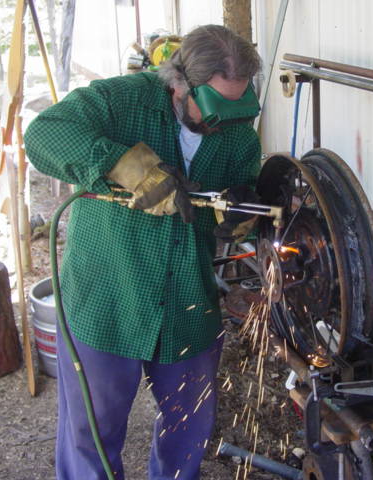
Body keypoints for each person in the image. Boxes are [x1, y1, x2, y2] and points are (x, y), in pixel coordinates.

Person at [24, 25, 262, 480]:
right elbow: (45, 134)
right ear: (177, 82)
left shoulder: (234, 131)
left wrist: (238, 215)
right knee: (92, 431)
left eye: (238, 108)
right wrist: (120, 164)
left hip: (187, 302)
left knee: (188, 427)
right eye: (213, 108)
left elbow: (240, 184)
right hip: (108, 296)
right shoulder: (117, 101)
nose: (223, 123)